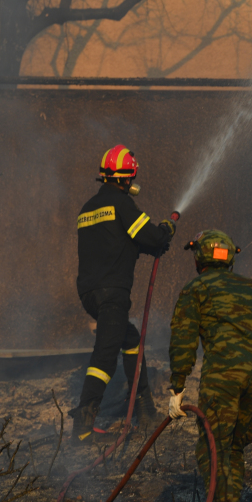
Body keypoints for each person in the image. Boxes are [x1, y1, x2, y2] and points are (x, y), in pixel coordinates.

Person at [167, 229, 252, 502]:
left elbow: (183, 338)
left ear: (198, 257)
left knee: (213, 448)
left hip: (223, 376)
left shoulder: (196, 289)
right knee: (233, 446)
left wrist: (177, 388)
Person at [69, 145, 176, 442]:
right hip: (112, 294)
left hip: (90, 294)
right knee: (105, 356)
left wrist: (152, 243)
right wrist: (166, 230)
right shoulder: (122, 203)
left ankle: (143, 409)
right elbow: (151, 236)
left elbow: (121, 242)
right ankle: (83, 427)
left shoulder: (87, 209)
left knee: (130, 340)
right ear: (127, 178)